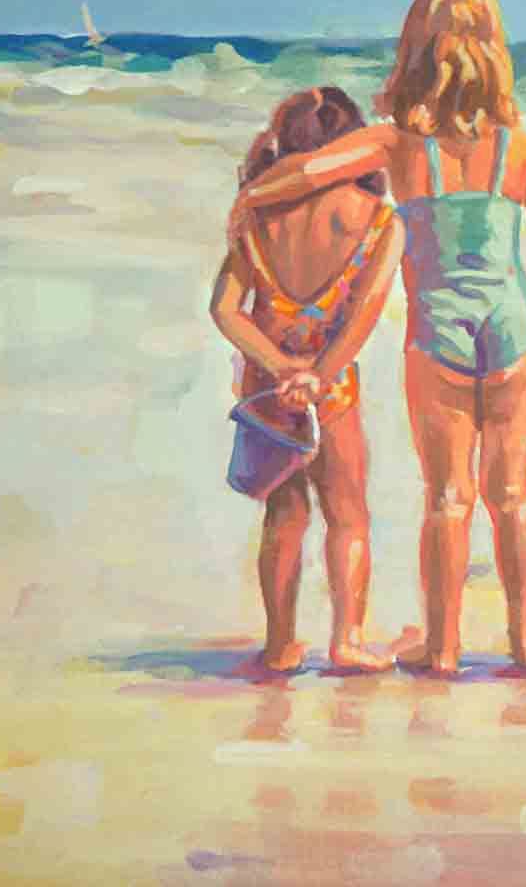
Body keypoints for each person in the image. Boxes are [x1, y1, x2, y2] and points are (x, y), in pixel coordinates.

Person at [229, 0, 526, 675]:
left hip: (438, 337)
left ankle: (443, 648)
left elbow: (306, 173)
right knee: (514, 495)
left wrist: (251, 199)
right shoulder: (519, 153)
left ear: (413, 55)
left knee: (448, 499)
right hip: (512, 330)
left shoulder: (396, 145)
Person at [211, 86, 405, 672]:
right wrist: (318, 375)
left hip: (267, 387)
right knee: (348, 513)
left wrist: (279, 368)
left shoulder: (257, 218)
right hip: (332, 385)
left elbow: (225, 310)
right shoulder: (379, 220)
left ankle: (279, 645)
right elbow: (364, 317)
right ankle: (347, 641)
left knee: (284, 513)